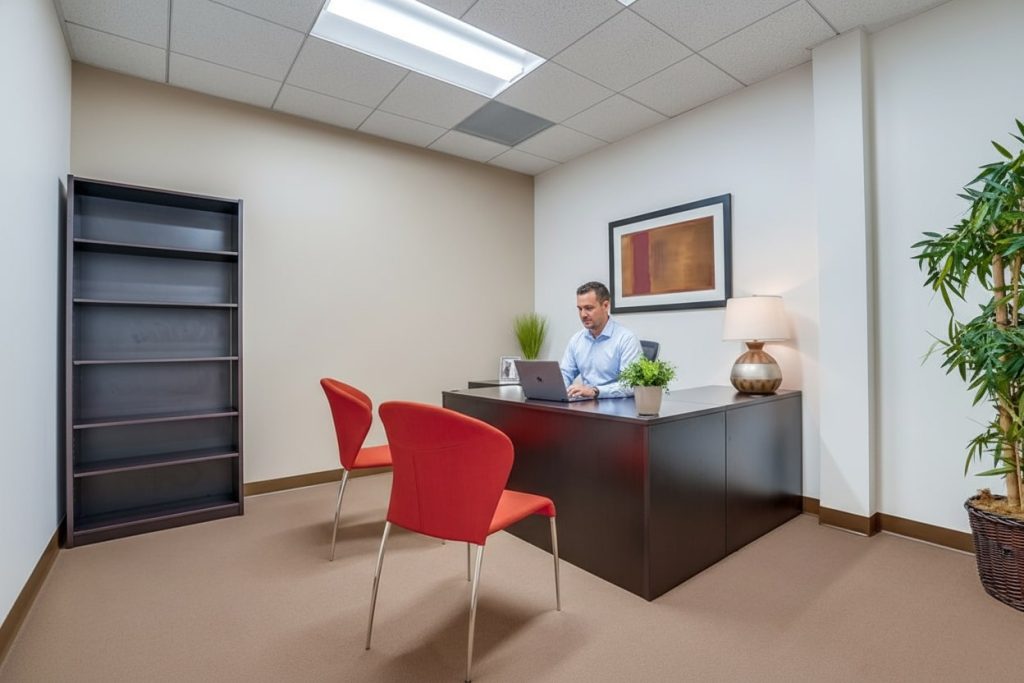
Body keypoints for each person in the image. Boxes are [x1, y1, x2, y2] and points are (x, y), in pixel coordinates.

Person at [560, 281, 643, 399]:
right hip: (585, 407)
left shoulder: (626, 339)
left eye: (589, 308)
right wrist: (555, 389)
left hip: (618, 410)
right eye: (580, 309)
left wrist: (595, 391)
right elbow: (565, 373)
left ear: (605, 306)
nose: (583, 314)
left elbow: (631, 384)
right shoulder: (576, 340)